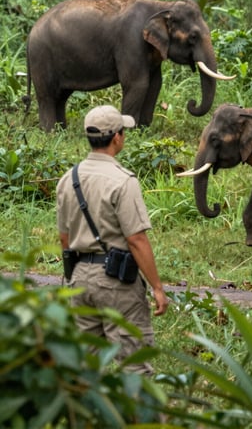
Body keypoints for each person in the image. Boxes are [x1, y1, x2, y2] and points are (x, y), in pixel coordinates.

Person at [56, 105, 169, 373]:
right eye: (123, 132)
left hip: (79, 278)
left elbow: (64, 238)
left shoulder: (68, 179)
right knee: (133, 365)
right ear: (117, 138)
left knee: (84, 365)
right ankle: (137, 413)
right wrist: (157, 287)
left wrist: (74, 275)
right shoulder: (123, 181)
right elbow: (136, 240)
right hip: (116, 280)